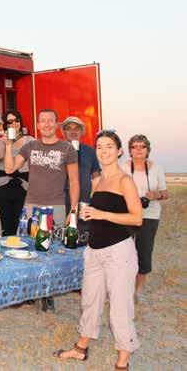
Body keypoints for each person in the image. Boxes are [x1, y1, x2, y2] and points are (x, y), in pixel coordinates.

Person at [53, 130, 142, 371]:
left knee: (120, 308)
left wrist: (101, 214)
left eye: (109, 146)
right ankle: (81, 348)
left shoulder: (125, 181)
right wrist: (88, 215)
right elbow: (98, 215)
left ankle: (122, 362)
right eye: (100, 147)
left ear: (119, 151)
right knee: (90, 302)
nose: (104, 151)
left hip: (119, 253)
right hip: (94, 251)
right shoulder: (98, 181)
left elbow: (137, 218)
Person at [3, 109, 79, 227]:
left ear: (57, 124)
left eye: (50, 120)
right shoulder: (29, 146)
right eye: (43, 121)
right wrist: (8, 145)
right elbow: (9, 169)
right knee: (28, 238)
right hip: (31, 206)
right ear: (38, 125)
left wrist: (74, 209)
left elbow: (74, 181)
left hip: (56, 206)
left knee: (54, 239)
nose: (47, 124)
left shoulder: (68, 148)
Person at [120, 134, 169, 298]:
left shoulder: (157, 168)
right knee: (122, 251)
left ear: (148, 149)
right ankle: (123, 287)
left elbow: (165, 193)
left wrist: (156, 195)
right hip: (127, 214)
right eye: (134, 147)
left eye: (142, 146)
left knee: (144, 252)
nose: (138, 150)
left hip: (149, 215)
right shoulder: (123, 167)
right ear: (130, 150)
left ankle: (137, 291)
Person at [0, 109, 34, 236]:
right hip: (3, 183)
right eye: (10, 121)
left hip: (23, 185)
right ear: (5, 124)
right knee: (6, 224)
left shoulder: (29, 140)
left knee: (21, 222)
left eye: (17, 120)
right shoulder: (3, 138)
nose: (14, 123)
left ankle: (19, 245)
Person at [61, 116, 101, 213]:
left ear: (82, 132)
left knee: (83, 223)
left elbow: (96, 176)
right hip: (61, 202)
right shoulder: (56, 150)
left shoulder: (90, 151)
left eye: (76, 128)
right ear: (63, 132)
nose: (73, 131)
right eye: (69, 128)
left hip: (84, 202)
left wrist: (95, 198)